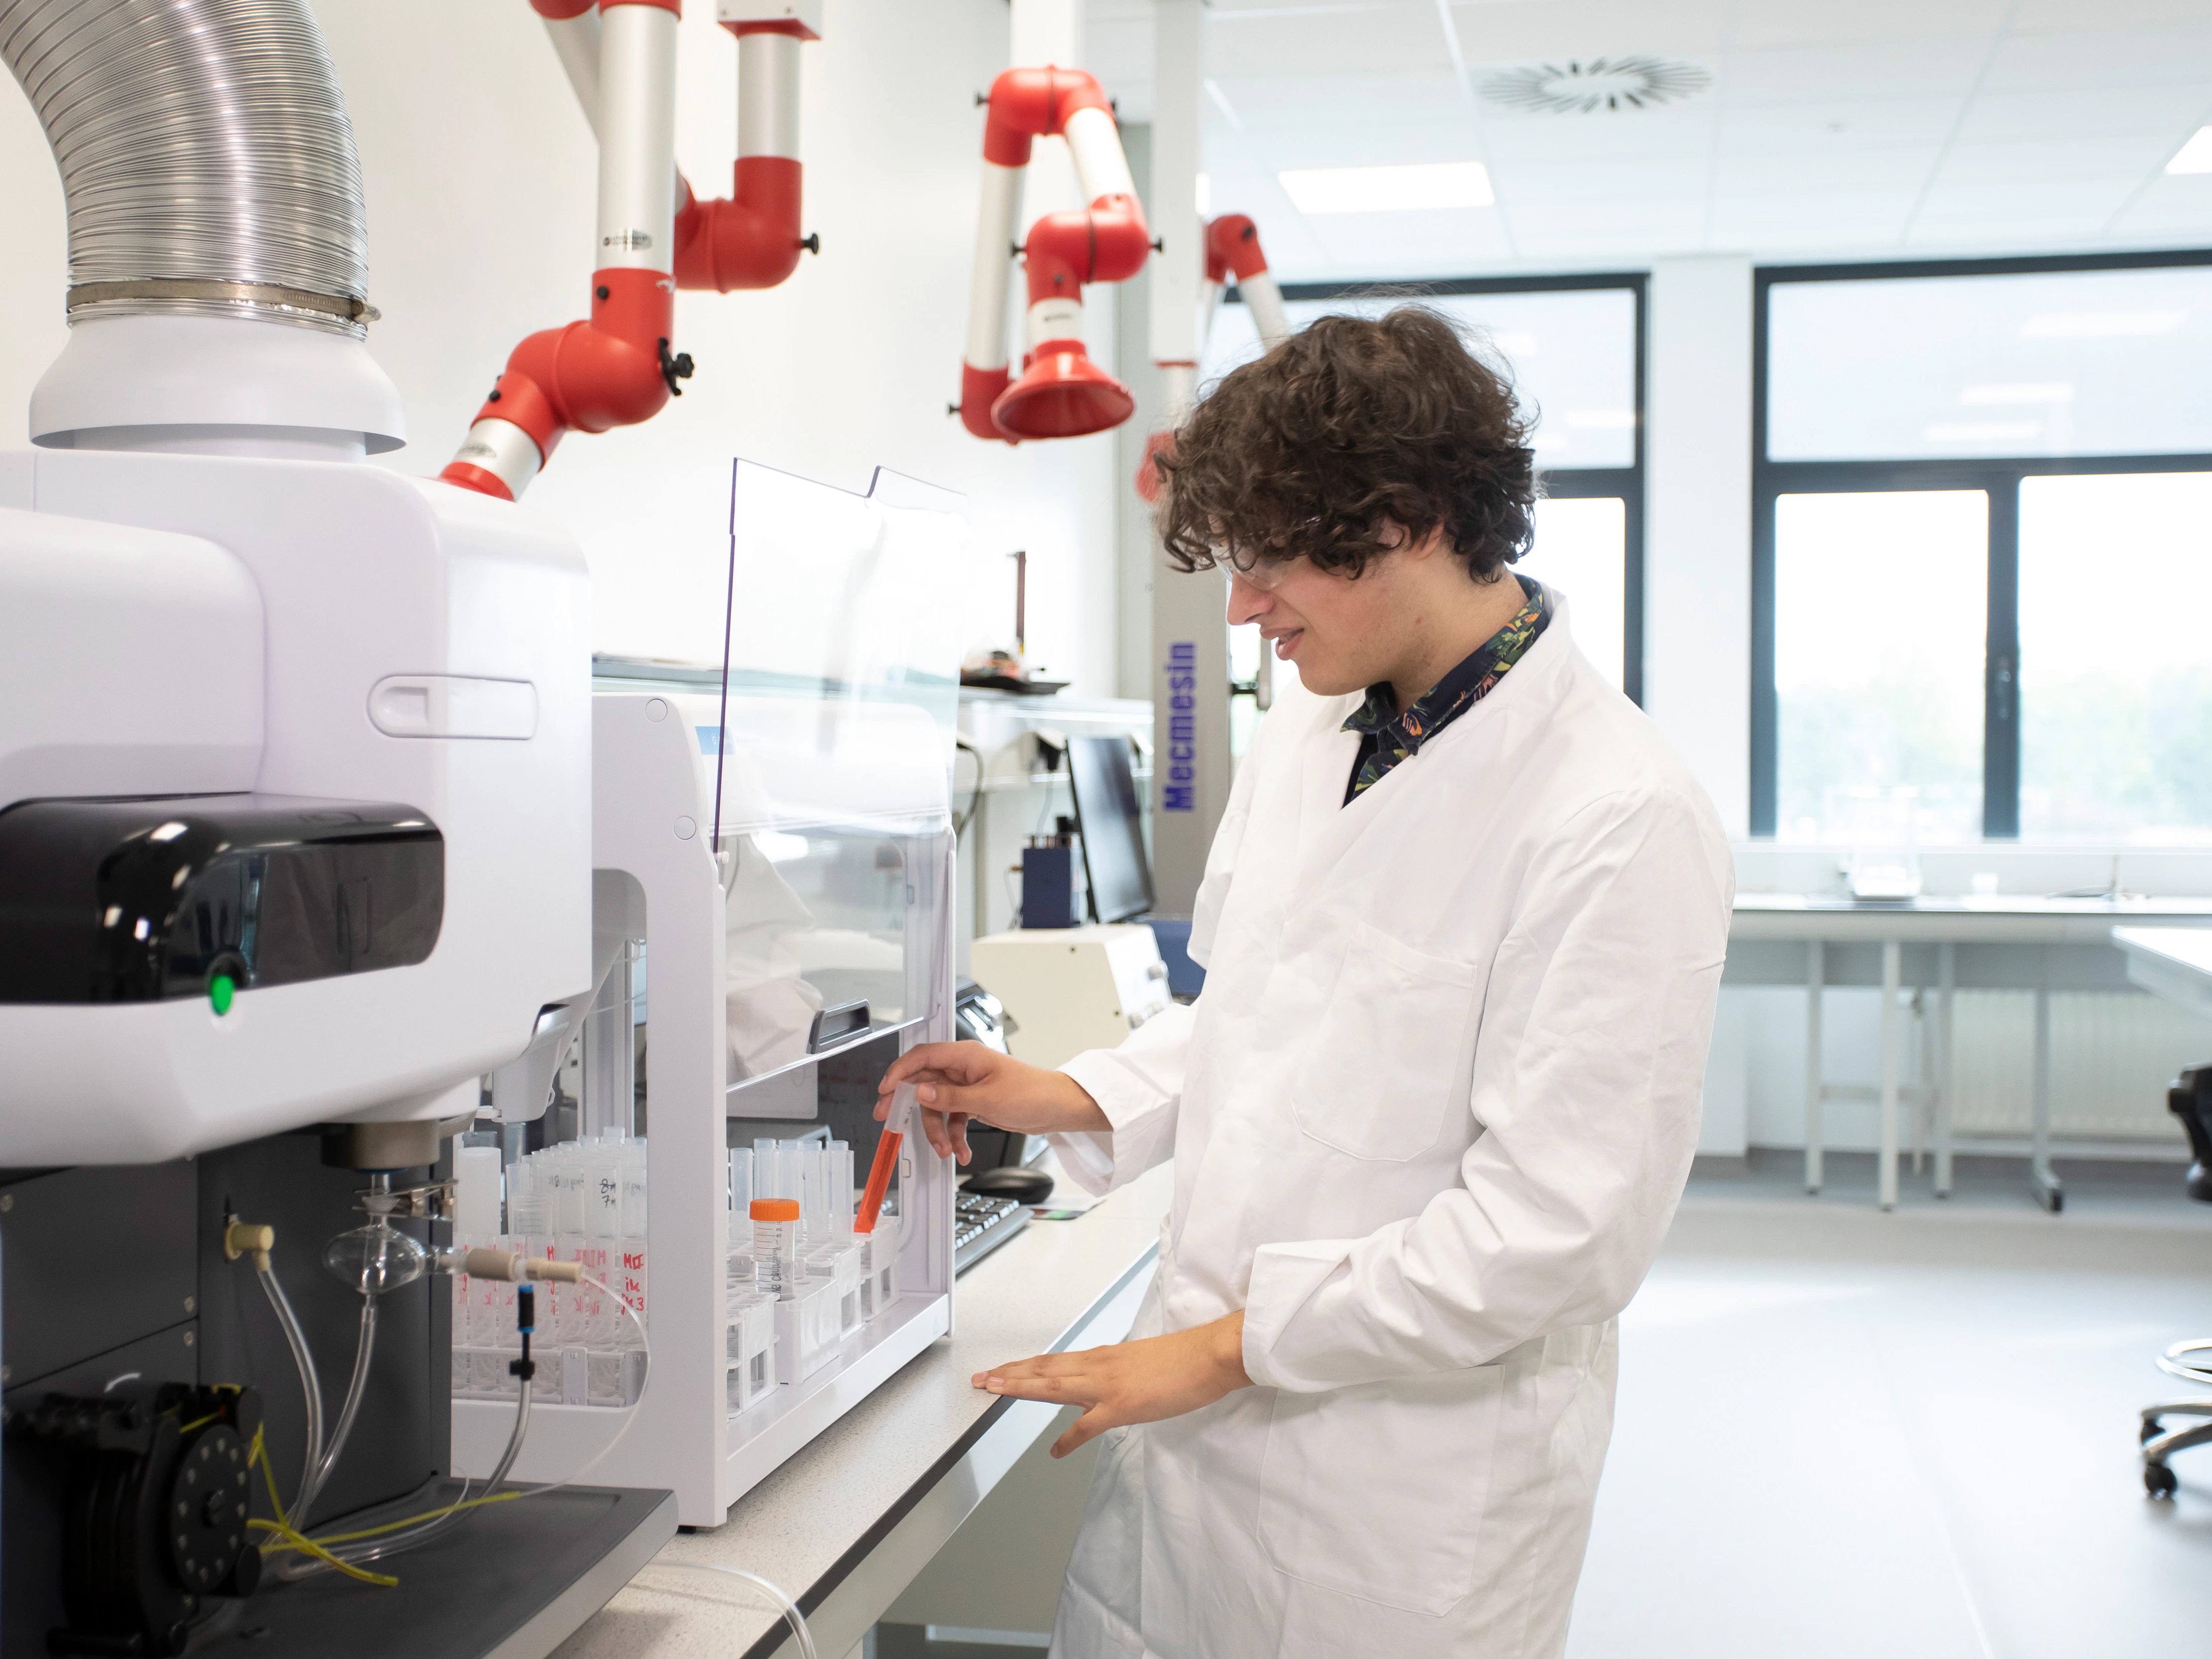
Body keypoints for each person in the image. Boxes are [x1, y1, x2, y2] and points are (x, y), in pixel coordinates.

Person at [876, 306, 1733, 1659]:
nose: (1240, 607)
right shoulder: (1317, 720)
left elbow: (1557, 1233)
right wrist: (1064, 1094)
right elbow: (1260, 1008)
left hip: (1401, 1492)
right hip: (1195, 1468)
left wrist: (1224, 1348)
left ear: (1408, 521)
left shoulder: (1614, 813)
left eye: (1270, 560)